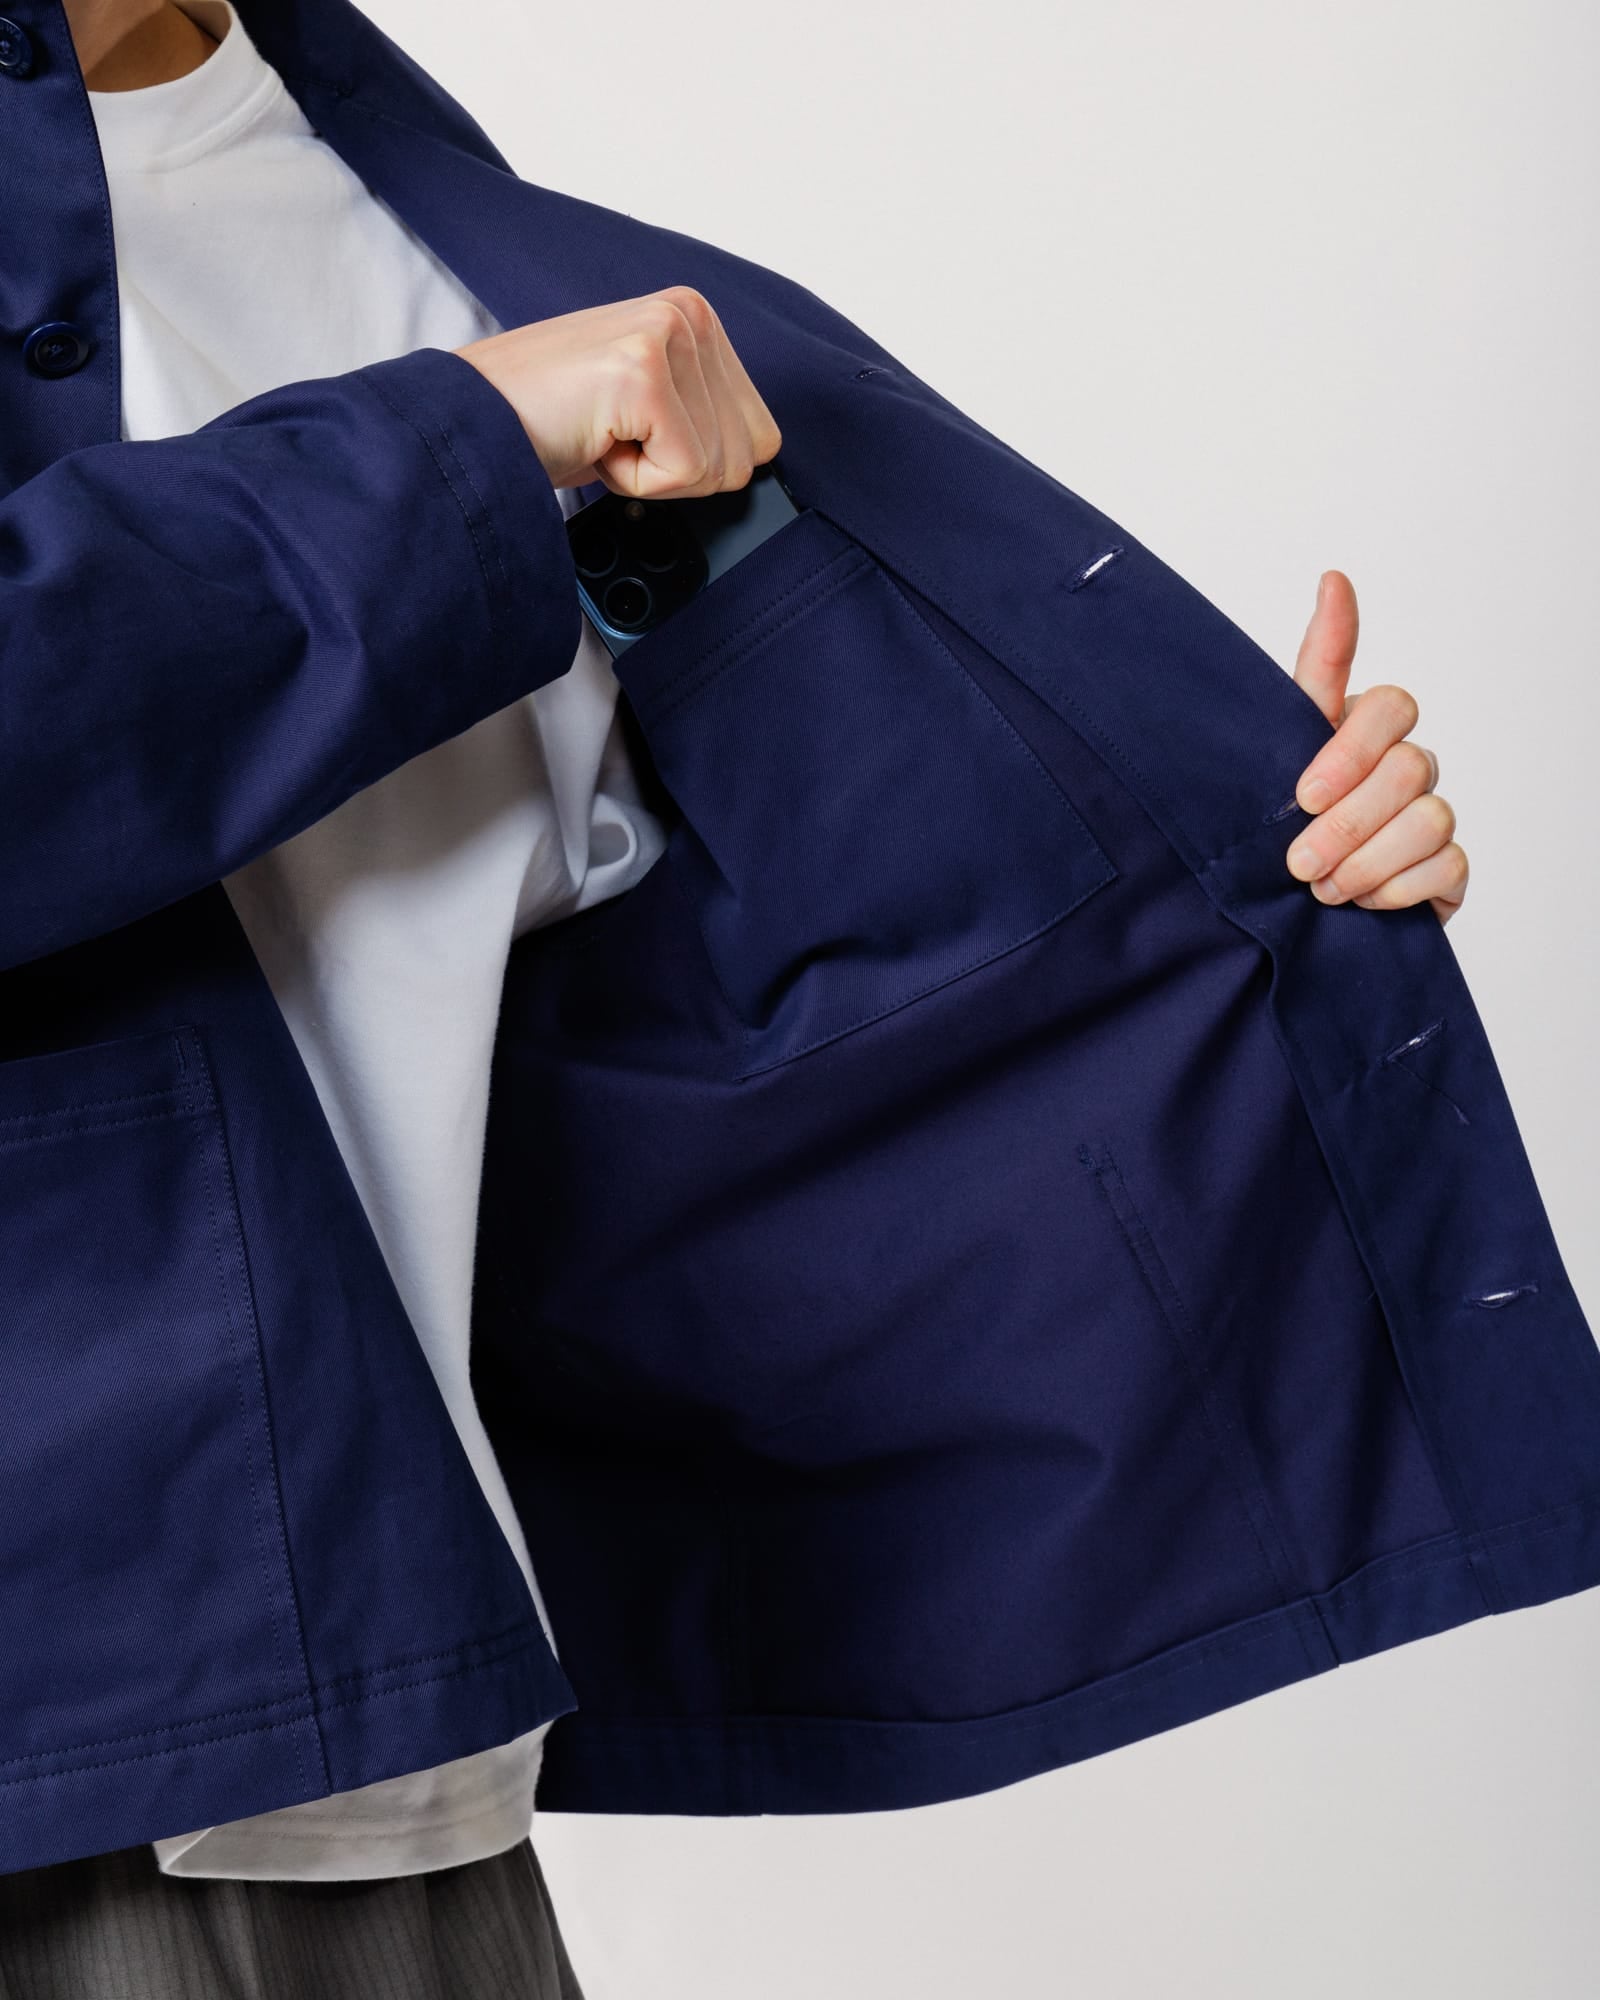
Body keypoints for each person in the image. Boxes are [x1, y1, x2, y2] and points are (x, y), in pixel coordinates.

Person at [0, 0, 1472, 1993]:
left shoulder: (393, 194)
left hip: (359, 1701)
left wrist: (1222, 863)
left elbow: (588, 937)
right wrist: (449, 447)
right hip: (71, 1688)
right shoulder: (498, 363)